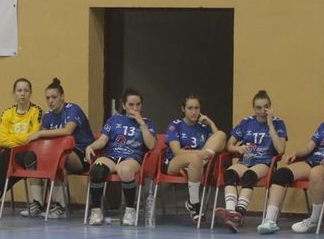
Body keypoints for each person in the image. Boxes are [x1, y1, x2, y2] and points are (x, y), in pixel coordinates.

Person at [257, 83, 324, 234]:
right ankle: (270, 220)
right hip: (313, 160)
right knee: (281, 174)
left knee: (315, 174)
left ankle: (314, 219)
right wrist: (297, 153)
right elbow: (310, 147)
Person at [21, 78, 96, 218]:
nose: (50, 101)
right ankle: (37, 203)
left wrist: (40, 133)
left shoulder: (73, 109)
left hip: (83, 153)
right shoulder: (48, 117)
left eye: (54, 97)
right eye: (48, 98)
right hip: (56, 153)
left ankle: (60, 206)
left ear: (62, 97)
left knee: (60, 160)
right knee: (32, 158)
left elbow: (68, 130)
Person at [215, 90, 288, 232]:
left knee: (249, 175)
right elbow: (229, 145)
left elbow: (280, 150)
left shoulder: (278, 123)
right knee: (229, 173)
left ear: (270, 107)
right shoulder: (246, 122)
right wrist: (238, 148)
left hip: (264, 162)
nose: (262, 111)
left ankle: (239, 213)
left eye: (265, 107)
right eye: (258, 108)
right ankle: (230, 212)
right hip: (246, 160)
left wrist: (270, 125)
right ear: (254, 109)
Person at [84, 88, 155, 226]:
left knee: (125, 170)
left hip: (132, 158)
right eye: (131, 105)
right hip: (112, 155)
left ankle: (130, 210)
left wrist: (142, 124)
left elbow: (151, 145)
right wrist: (91, 146)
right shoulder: (114, 119)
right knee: (97, 169)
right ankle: (96, 210)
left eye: (138, 104)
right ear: (124, 105)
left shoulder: (147, 122)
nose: (135, 108)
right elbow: (103, 140)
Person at [0, 78, 42, 217]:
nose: (23, 94)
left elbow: (33, 136)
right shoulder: (7, 113)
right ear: (14, 93)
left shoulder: (36, 111)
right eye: (19, 90)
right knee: (5, 160)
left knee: (17, 160)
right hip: (12, 152)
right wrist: (22, 139)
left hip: (29, 152)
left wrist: (14, 137)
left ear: (30, 93)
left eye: (26, 90)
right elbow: (2, 139)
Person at [163, 94, 226, 223]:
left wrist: (210, 123)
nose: (193, 111)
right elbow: (176, 151)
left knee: (221, 134)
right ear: (183, 109)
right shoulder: (175, 125)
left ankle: (192, 203)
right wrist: (201, 153)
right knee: (195, 158)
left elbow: (221, 142)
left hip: (198, 162)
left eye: (196, 108)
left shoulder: (203, 127)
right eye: (190, 108)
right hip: (175, 163)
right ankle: (195, 204)